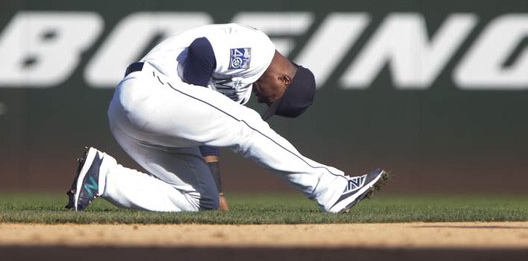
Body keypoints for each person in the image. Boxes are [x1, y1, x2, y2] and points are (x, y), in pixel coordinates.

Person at [65, 23, 387, 213]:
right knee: (247, 126)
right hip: (149, 90)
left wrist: (217, 190)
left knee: (200, 200)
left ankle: (103, 176)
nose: (264, 101)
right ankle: (331, 188)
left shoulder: (241, 91)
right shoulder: (258, 48)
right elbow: (202, 51)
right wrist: (200, 96)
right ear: (284, 80)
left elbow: (206, 129)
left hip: (143, 117)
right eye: (273, 99)